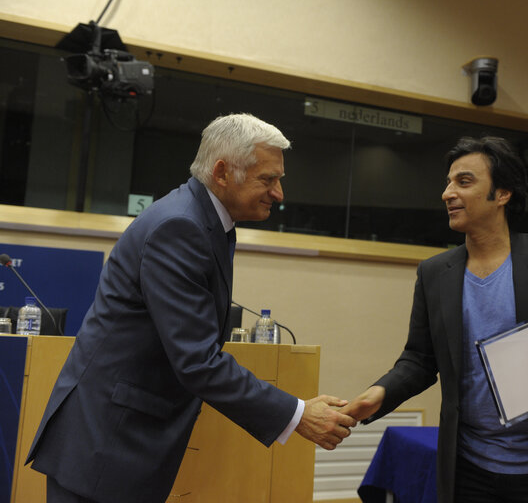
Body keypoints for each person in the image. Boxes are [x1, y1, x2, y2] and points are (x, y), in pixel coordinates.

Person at [26, 113, 356, 503]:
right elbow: (197, 361)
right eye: (268, 179)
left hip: (117, 440)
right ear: (221, 172)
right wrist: (298, 414)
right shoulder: (179, 226)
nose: (279, 193)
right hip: (106, 442)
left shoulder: (203, 219)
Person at [344, 137, 528, 503]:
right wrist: (375, 396)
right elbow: (419, 360)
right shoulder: (434, 273)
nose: (447, 193)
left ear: (502, 193)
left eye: (464, 181)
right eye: (447, 182)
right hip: (468, 469)